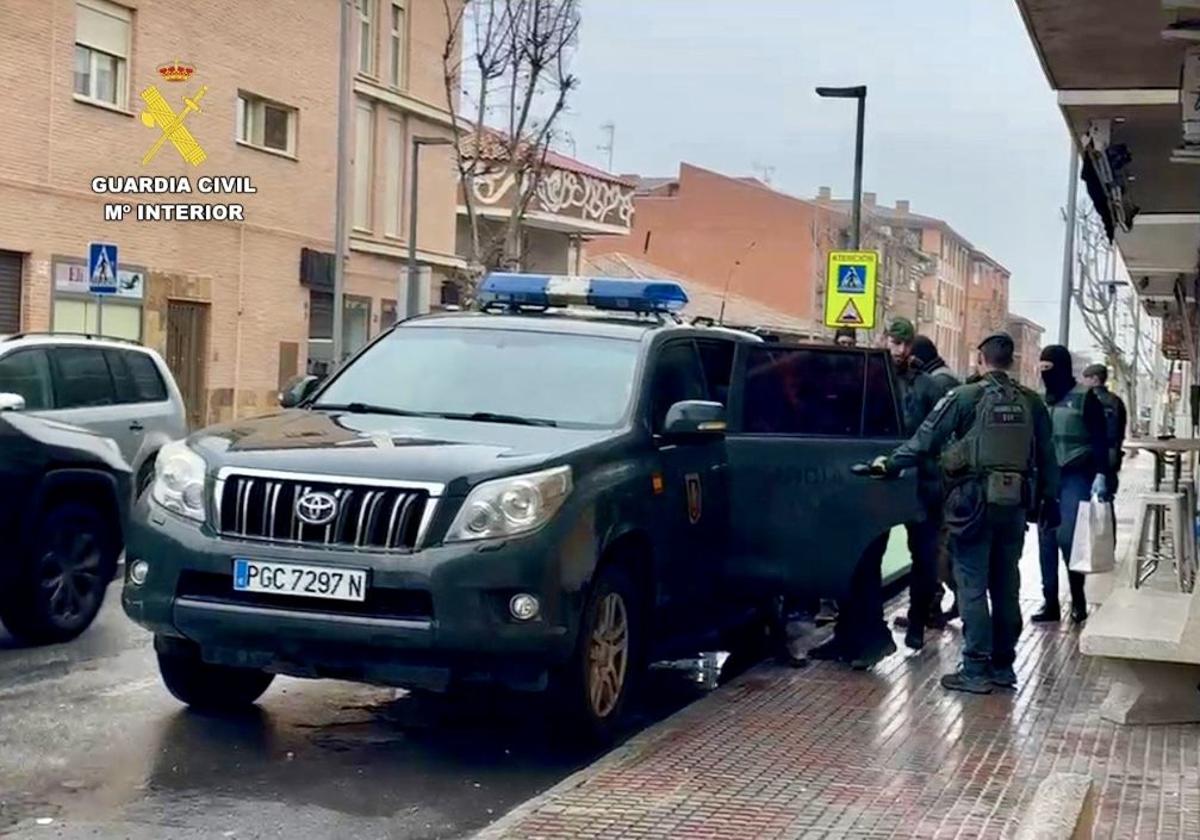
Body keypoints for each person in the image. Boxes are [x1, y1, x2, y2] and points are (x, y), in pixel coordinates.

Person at [872, 333, 1060, 694]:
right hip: (1015, 504)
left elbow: (925, 440)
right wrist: (1049, 499)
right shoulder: (1031, 402)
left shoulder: (965, 396)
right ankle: (1003, 667)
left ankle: (974, 668)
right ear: (1011, 361)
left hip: (972, 503)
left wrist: (890, 464)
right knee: (1006, 584)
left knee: (972, 584)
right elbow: (1047, 455)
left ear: (980, 359)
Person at [812, 318, 942, 668]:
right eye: (893, 343)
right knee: (862, 557)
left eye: (904, 344)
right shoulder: (868, 379)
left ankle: (916, 622)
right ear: (883, 340)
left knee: (925, 558)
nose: (898, 350)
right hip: (878, 481)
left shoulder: (928, 387)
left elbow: (943, 435)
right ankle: (853, 635)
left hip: (919, 483)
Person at [1036, 346, 1113, 625]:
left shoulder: (1085, 398)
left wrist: (1102, 474)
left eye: (1050, 369)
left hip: (1076, 475)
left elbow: (1100, 439)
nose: (1046, 375)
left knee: (1068, 538)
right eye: (1041, 369)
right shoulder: (1040, 399)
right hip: (1046, 479)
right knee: (1045, 541)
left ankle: (1078, 599)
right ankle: (1050, 602)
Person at [901, 335, 962, 628]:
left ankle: (931, 608)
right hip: (932, 476)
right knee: (931, 548)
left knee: (935, 549)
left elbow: (934, 432)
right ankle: (928, 609)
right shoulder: (939, 378)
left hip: (932, 477)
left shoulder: (938, 383)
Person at [1082, 363, 1128, 497]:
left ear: (1095, 379)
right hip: (1112, 454)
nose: (1084, 382)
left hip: (1092, 453)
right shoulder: (1116, 401)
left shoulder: (1087, 400)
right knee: (1106, 498)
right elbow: (1120, 429)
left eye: (1087, 378)